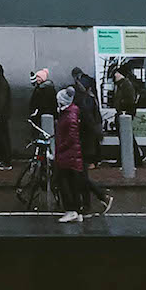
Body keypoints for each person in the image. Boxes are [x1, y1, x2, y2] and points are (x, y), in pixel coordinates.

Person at [70, 64, 110, 203]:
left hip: (83, 143)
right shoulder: (89, 98)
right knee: (81, 174)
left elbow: (87, 123)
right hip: (86, 140)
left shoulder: (83, 102)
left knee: (81, 175)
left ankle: (98, 197)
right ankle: (87, 202)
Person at [53, 86, 87, 223]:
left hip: (68, 154)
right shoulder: (71, 112)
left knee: (64, 182)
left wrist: (60, 148)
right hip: (71, 154)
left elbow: (71, 137)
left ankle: (70, 210)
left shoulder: (69, 116)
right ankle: (77, 211)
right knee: (72, 183)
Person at [113, 67, 146, 168]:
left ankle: (133, 158)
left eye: (116, 73)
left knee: (126, 137)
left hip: (125, 114)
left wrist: (123, 109)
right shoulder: (121, 85)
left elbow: (130, 100)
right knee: (127, 137)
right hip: (122, 114)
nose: (115, 75)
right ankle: (135, 157)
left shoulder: (126, 85)